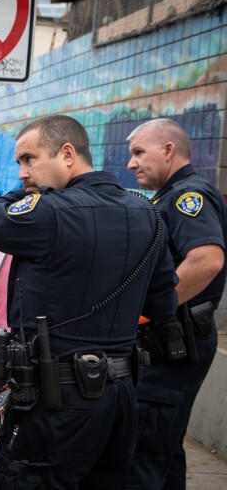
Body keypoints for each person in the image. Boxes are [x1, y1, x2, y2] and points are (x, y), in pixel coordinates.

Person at [0, 115, 180, 488]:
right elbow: (162, 303)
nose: (22, 174)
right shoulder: (149, 215)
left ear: (67, 154)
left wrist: (34, 193)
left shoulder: (50, 212)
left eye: (28, 159)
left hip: (55, 401)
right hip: (120, 399)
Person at [125, 118, 225, 489]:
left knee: (142, 453)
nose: (131, 163)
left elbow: (207, 260)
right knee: (162, 452)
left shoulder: (187, 196)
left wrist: (146, 312)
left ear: (168, 150)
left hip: (171, 344)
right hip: (169, 343)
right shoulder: (171, 194)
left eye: (138, 152)